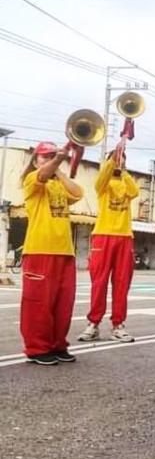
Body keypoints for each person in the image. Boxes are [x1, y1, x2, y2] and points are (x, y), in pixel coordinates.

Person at [19, 142, 83, 365]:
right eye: (44, 157)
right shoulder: (31, 180)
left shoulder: (58, 183)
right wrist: (56, 161)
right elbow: (42, 175)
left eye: (52, 156)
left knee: (63, 303)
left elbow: (78, 192)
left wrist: (59, 168)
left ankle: (57, 344)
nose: (48, 160)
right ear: (36, 160)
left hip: (65, 251)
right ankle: (37, 348)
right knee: (38, 302)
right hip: (39, 249)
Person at [78, 150, 139, 344]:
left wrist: (124, 169)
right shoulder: (103, 184)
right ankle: (93, 324)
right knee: (99, 282)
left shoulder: (126, 183)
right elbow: (100, 180)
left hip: (124, 237)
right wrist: (111, 162)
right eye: (115, 158)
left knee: (121, 284)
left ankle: (118, 325)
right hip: (103, 235)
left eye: (122, 158)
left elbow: (134, 192)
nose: (118, 161)